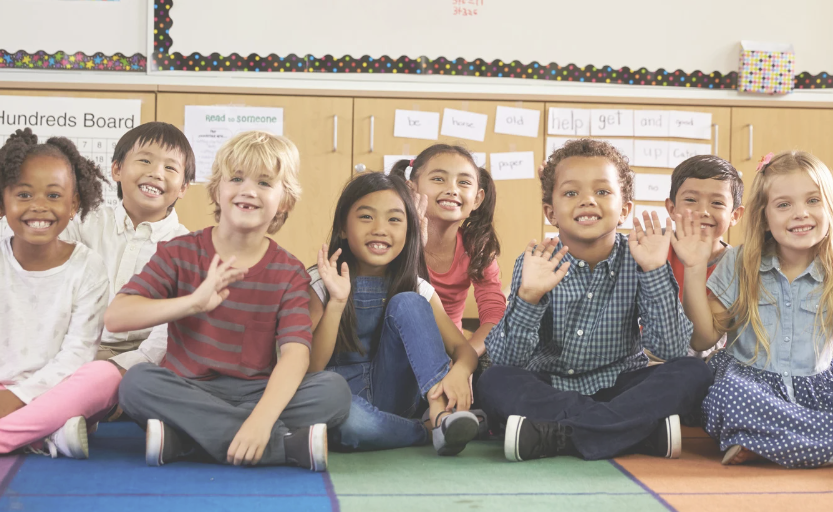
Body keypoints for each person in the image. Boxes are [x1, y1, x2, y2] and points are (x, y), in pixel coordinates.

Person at [107, 131, 351, 470]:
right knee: (136, 383)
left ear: (285, 202)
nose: (248, 190)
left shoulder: (289, 272)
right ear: (217, 191)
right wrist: (192, 302)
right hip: (187, 388)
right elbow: (116, 317)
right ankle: (287, 447)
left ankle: (186, 440)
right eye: (236, 178)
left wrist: (261, 420)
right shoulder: (179, 252)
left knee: (334, 392)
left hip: (257, 394)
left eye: (265, 183)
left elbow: (296, 355)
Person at [478, 138, 713, 462]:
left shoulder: (641, 258)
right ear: (551, 212)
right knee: (493, 380)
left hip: (621, 387)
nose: (587, 200)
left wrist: (655, 270)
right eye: (571, 193)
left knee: (693, 371)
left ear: (624, 209)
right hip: (549, 387)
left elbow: (671, 351)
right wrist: (529, 297)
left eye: (602, 192)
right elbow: (507, 361)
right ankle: (632, 432)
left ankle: (558, 435)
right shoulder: (535, 261)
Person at [679, 151, 833, 468]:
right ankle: (807, 444)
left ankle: (762, 441)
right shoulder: (739, 262)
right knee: (723, 396)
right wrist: (694, 268)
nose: (801, 213)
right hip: (750, 387)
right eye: (784, 204)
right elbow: (701, 340)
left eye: (813, 201)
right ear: (764, 217)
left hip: (817, 387)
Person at [308, 172, 480, 454]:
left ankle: (440, 416)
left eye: (394, 219)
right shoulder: (320, 281)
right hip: (343, 403)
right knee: (348, 424)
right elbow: (312, 367)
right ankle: (424, 432)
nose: (380, 229)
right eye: (366, 217)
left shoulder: (417, 286)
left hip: (395, 394)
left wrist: (460, 371)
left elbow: (464, 350)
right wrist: (337, 302)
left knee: (409, 302)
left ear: (410, 230)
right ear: (342, 227)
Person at [0, 128, 109, 459]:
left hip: (58, 391)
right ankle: (46, 434)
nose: (38, 207)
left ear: (74, 203)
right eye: (23, 195)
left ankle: (20, 432)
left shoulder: (88, 267)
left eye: (53, 195)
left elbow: (78, 354)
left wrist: (17, 398)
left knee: (104, 376)